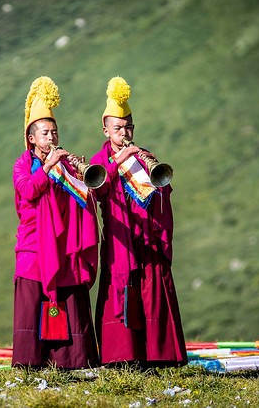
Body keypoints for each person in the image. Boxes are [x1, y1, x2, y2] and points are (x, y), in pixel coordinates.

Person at [90, 76, 188, 368]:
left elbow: (161, 191)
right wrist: (120, 161)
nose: (124, 132)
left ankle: (159, 355)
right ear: (105, 129)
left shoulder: (145, 155)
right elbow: (98, 190)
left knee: (153, 289)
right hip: (121, 239)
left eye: (128, 127)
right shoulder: (99, 159)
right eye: (118, 128)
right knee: (120, 291)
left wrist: (147, 167)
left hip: (146, 237)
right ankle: (121, 356)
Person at [12, 76, 100, 369]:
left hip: (62, 246)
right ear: (32, 139)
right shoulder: (23, 164)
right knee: (32, 303)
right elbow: (27, 191)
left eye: (55, 132)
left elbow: (80, 202)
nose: (52, 138)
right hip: (34, 246)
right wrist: (48, 167)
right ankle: (31, 362)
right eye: (45, 133)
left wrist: (78, 175)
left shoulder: (64, 164)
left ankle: (73, 360)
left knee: (70, 299)